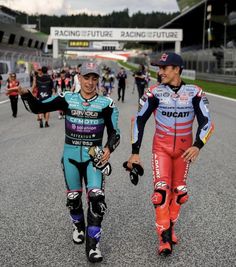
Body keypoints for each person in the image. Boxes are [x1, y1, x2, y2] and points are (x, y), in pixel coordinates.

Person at [19, 61, 120, 263]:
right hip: (71, 157)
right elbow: (39, 107)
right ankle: (78, 225)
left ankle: (93, 246)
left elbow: (115, 133)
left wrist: (108, 149)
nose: (90, 83)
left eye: (94, 78)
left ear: (98, 80)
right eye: (86, 78)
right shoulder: (67, 98)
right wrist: (25, 94)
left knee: (96, 201)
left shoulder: (106, 104)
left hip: (94, 159)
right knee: (74, 199)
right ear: (79, 78)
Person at [126, 52, 214, 256]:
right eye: (159, 67)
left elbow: (207, 122)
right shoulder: (154, 92)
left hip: (183, 153)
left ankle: (170, 226)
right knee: (161, 193)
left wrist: (198, 145)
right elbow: (138, 120)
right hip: (162, 149)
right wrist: (135, 152)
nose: (160, 71)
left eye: (164, 68)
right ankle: (164, 237)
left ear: (177, 69)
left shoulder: (195, 92)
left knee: (179, 193)